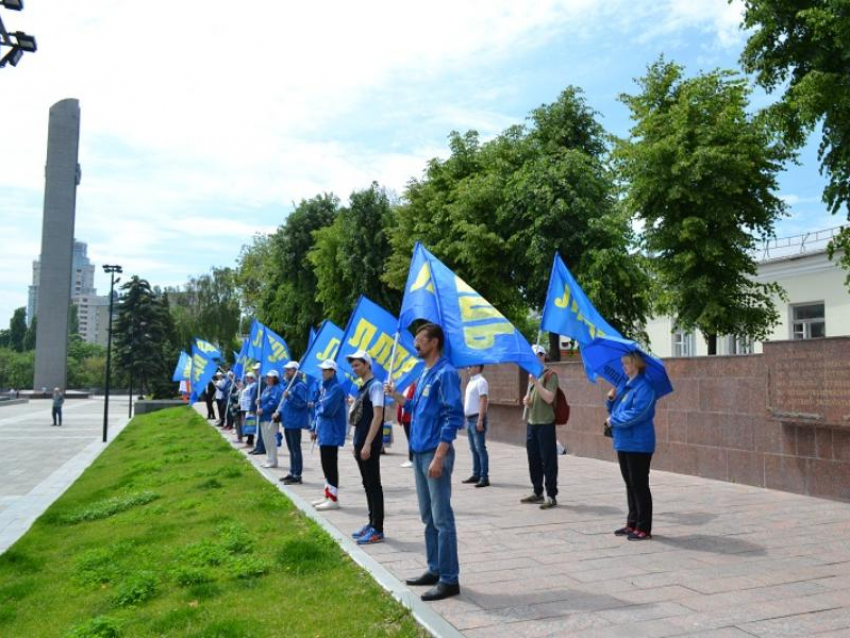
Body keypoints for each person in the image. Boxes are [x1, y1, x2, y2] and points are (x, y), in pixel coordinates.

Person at [385, 323, 463, 602]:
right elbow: (416, 408)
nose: (415, 344)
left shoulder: (446, 374)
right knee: (428, 516)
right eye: (416, 339)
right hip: (418, 453)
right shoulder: (424, 373)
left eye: (420, 340)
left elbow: (453, 417)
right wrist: (396, 396)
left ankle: (449, 579)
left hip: (434, 453)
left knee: (442, 518)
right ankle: (435, 568)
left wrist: (440, 456)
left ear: (434, 342)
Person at [605, 351, 657, 541]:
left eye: (626, 363)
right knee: (630, 484)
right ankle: (632, 523)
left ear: (636, 364)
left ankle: (644, 528)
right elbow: (617, 410)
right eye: (622, 363)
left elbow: (638, 413)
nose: (623, 367)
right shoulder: (623, 385)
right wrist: (610, 400)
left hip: (639, 443)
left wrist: (613, 420)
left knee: (639, 484)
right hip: (624, 441)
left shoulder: (644, 387)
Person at [347, 350, 386, 545]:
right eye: (352, 365)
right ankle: (371, 523)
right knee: (367, 484)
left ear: (367, 365)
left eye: (358, 365)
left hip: (368, 444)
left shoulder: (376, 386)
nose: (355, 368)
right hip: (360, 441)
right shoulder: (362, 387)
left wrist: (368, 443)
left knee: (374, 485)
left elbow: (378, 416)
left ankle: (378, 528)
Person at [521, 345, 559, 510]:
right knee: (533, 459)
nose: (536, 357)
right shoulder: (532, 375)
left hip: (545, 424)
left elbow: (549, 398)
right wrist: (527, 401)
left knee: (548, 460)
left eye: (539, 354)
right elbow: (531, 399)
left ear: (544, 356)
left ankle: (551, 495)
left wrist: (536, 383)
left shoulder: (550, 375)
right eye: (533, 355)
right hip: (532, 422)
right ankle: (538, 491)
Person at [312, 359, 346, 510]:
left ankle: (333, 499)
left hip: (332, 432)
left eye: (326, 370)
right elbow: (320, 407)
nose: (323, 372)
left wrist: (318, 405)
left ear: (333, 372)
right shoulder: (325, 387)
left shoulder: (336, 388)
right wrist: (315, 427)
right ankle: (327, 494)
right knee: (325, 464)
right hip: (324, 431)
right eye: (322, 370)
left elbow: (326, 410)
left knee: (330, 465)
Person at [275, 361, 309, 485]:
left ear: (295, 371)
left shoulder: (300, 386)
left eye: (289, 370)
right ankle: (292, 471)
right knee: (291, 448)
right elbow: (284, 403)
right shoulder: (288, 385)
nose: (286, 372)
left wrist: (289, 396)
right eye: (286, 370)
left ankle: (297, 474)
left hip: (294, 422)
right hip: (288, 421)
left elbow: (301, 404)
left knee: (295, 448)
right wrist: (279, 412)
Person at [462, 365, 490, 488]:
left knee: (480, 449)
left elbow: (483, 401)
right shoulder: (471, 381)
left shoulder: (481, 381)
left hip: (477, 418)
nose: (468, 368)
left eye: (471, 366)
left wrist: (480, 420)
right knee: (474, 449)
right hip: (469, 419)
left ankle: (484, 477)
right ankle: (476, 474)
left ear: (478, 367)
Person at [256, 370, 283, 469]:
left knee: (271, 440)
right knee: (266, 440)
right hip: (263, 418)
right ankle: (269, 460)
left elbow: (274, 402)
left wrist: (263, 409)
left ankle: (273, 461)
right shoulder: (266, 388)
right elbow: (264, 399)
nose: (268, 379)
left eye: (270, 377)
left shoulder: (276, 389)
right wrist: (259, 401)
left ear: (275, 379)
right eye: (267, 377)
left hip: (270, 418)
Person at [396, 382, 415, 468]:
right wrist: (399, 417)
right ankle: (411, 459)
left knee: (411, 439)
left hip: (410, 418)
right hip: (405, 418)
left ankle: (412, 459)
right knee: (409, 439)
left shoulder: (413, 387)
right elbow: (401, 404)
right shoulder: (404, 388)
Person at [240, 372, 258, 447]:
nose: (247, 379)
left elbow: (252, 396)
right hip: (245, 407)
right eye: (246, 378)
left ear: (252, 378)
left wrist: (252, 407)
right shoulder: (248, 385)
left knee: (250, 423)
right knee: (248, 423)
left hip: (249, 407)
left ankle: (250, 441)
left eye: (249, 378)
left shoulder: (253, 386)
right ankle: (249, 439)